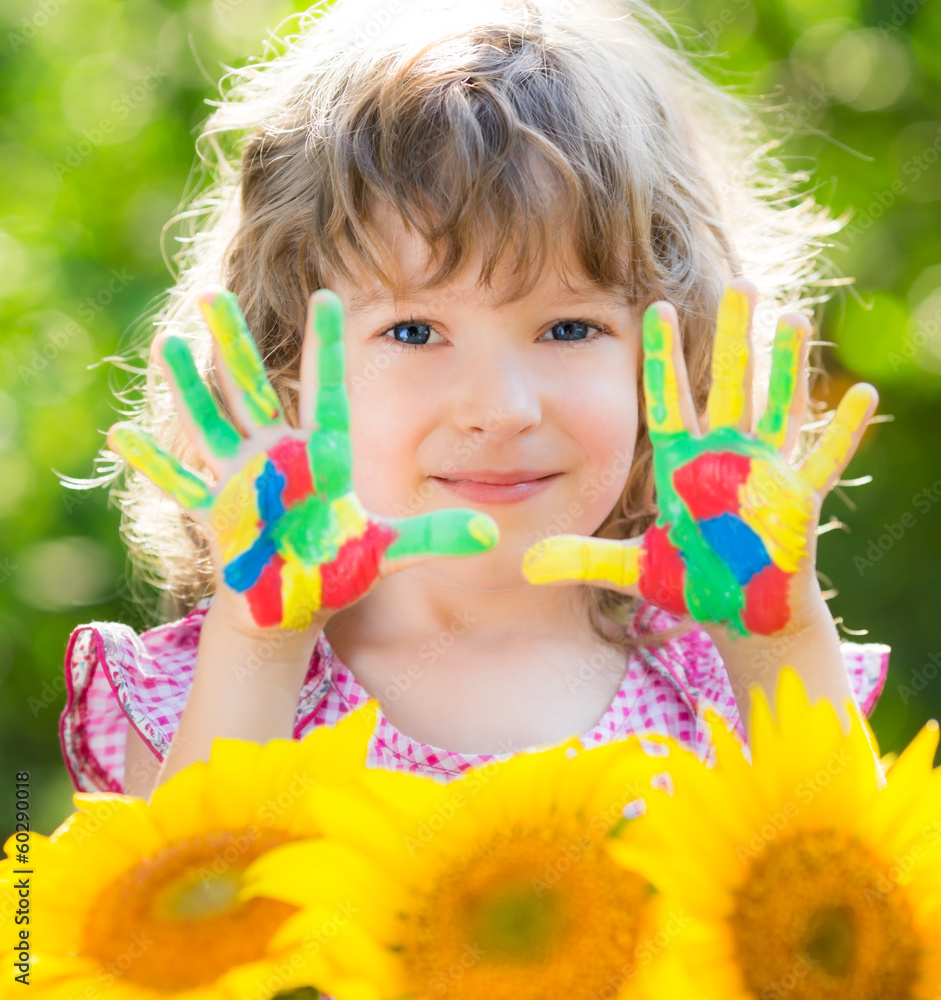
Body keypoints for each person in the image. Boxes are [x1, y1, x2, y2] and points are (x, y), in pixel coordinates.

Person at [59, 0, 889, 800]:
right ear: (287, 366)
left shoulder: (720, 681)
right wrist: (261, 651)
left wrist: (777, 645)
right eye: (415, 332)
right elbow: (181, 936)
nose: (501, 407)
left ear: (670, 355)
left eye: (568, 329)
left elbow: (861, 920)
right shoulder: (210, 689)